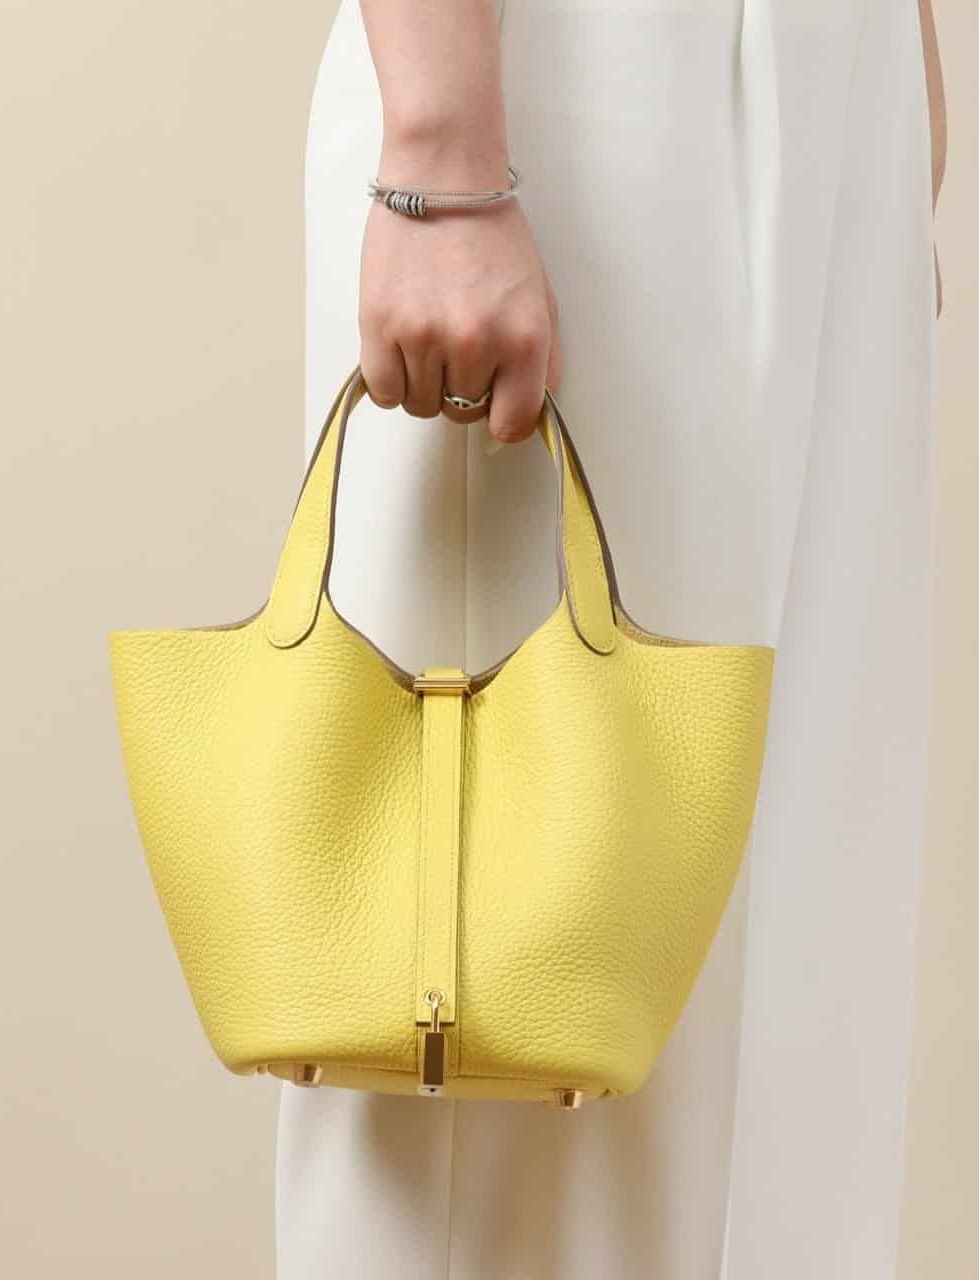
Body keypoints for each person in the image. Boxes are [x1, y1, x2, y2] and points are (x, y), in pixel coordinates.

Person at [275, 1, 946, 1276]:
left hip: (834, 89)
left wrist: (897, 100)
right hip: (567, 89)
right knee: (515, 1035)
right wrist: (440, 146)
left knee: (786, 1029)